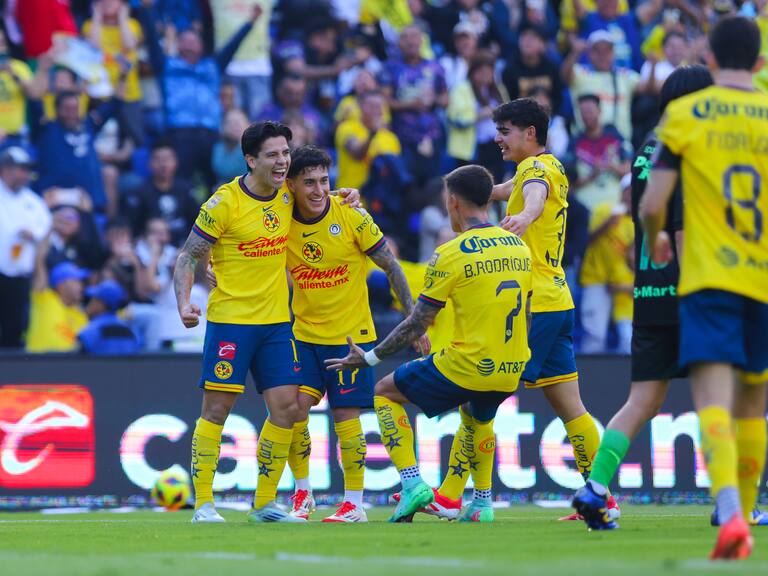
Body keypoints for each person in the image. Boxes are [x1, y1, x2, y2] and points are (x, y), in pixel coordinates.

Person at [174, 120, 359, 524]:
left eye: (286, 154)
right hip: (231, 323)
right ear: (251, 159)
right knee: (217, 410)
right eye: (273, 155)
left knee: (288, 409)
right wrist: (186, 302)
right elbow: (188, 255)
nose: (282, 162)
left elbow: (323, 199)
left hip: (277, 324)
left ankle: (264, 504)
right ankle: (203, 505)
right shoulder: (224, 204)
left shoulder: (289, 196)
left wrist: (349, 197)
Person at [326, 165, 532, 523]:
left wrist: (371, 356)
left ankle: (411, 483)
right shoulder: (519, 247)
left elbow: (418, 322)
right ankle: (482, 504)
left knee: (384, 392)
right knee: (477, 418)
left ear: (452, 202)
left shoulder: (451, 253)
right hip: (511, 365)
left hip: (467, 364)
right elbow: (527, 313)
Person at [640, 17, 768, 559]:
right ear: (760, 64)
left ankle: (731, 514)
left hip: (710, 276)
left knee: (714, 398)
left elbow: (651, 204)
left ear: (710, 61)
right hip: (761, 280)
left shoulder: (685, 114)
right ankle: (749, 504)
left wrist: (657, 239)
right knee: (755, 404)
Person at [573, 64, 718, 528]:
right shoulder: (681, 150)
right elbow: (679, 229)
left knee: (641, 402)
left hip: (649, 292)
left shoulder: (644, 150)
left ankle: (594, 488)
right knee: (724, 399)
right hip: (686, 290)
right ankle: (736, 502)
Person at [477, 99, 620, 521]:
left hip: (533, 303)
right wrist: (464, 187)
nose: (497, 138)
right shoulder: (536, 168)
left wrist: (522, 217)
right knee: (570, 408)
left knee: (482, 396)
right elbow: (503, 191)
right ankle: (601, 497)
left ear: (530, 134)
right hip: (556, 300)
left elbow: (532, 200)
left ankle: (451, 495)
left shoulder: (539, 171)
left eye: (505, 131)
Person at [278, 146, 426, 522]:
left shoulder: (351, 215)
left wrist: (413, 322)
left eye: (324, 181)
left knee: (346, 418)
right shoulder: (279, 216)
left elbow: (391, 266)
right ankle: (303, 494)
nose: (317, 190)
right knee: (294, 410)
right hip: (304, 335)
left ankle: (354, 504)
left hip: (350, 338)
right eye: (308, 182)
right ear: (291, 185)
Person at [0, 147, 52, 348]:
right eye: (19, 169)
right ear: (4, 169)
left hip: (20, 275)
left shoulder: (34, 202)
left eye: (25, 170)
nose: (24, 174)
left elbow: (45, 231)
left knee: (17, 326)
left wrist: (40, 268)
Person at [26, 247, 89, 353]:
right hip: (36, 363)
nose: (80, 286)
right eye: (75, 281)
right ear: (61, 285)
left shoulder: (80, 315)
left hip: (68, 366)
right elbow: (39, 265)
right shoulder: (45, 299)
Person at [335, 90, 401, 190]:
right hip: (348, 199)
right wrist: (372, 134)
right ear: (361, 107)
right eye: (372, 106)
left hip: (380, 202)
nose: (378, 111)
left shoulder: (391, 138)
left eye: (380, 107)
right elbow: (356, 153)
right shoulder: (346, 128)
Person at [79, 279, 139, 355]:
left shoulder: (90, 331)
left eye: (94, 299)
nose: (90, 303)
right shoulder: (132, 333)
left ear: (101, 304)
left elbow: (75, 362)